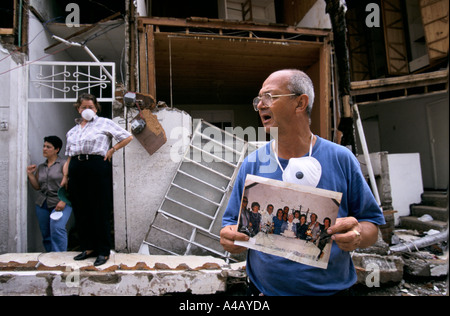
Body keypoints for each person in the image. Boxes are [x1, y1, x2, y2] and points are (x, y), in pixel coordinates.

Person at [220, 69, 385, 296]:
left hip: (332, 292)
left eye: (270, 96)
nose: (260, 105)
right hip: (262, 293)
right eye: (258, 99)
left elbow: (372, 226)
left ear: (300, 103)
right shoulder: (252, 163)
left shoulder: (341, 159)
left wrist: (357, 235)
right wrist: (231, 239)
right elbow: (230, 225)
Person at [61, 93, 133, 266]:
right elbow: (69, 157)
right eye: (84, 107)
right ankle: (88, 247)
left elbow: (127, 136)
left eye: (90, 107)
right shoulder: (72, 131)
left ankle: (103, 250)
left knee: (99, 208)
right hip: (76, 168)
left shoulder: (104, 123)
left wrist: (112, 149)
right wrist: (65, 176)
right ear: (78, 109)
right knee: (81, 208)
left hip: (96, 165)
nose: (87, 110)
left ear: (96, 108)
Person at [27, 136, 72, 252]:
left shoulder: (64, 164)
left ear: (57, 149)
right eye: (44, 146)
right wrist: (30, 174)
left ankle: (59, 257)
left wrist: (64, 201)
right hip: (42, 203)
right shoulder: (41, 167)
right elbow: (37, 187)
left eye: (48, 147)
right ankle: (49, 257)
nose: (44, 149)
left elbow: (71, 184)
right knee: (46, 233)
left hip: (61, 201)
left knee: (57, 228)